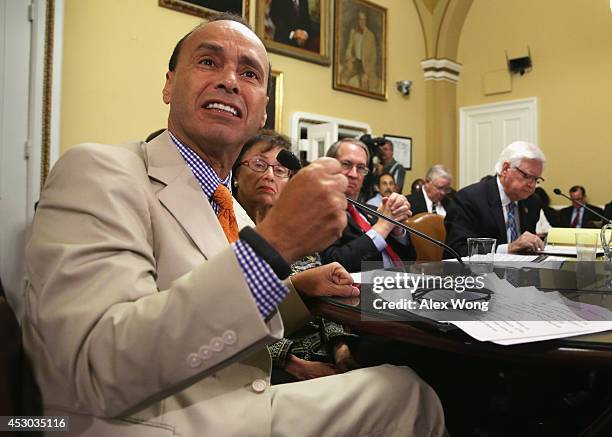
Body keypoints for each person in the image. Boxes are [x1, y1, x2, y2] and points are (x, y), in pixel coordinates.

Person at [23, 14, 445, 437]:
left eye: (249, 73)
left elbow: (217, 304)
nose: (229, 81)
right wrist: (275, 244)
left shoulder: (229, 205)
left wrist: (299, 289)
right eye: (208, 62)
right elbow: (94, 370)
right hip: (151, 420)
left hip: (238, 399)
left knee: (410, 389)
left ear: (261, 109)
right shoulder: (99, 170)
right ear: (169, 84)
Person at [232, 129, 360, 383]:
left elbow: (326, 301)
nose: (269, 175)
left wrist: (341, 349)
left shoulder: (298, 231)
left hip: (325, 351)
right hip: (266, 368)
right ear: (235, 174)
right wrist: (294, 364)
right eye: (259, 164)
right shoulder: (225, 229)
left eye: (280, 170)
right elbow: (228, 321)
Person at [321, 138, 414, 272]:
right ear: (329, 167)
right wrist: (384, 226)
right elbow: (331, 264)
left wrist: (396, 230)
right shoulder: (317, 212)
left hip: (402, 284)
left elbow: (411, 259)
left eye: (360, 168)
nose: (354, 174)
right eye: (346, 164)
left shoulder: (370, 210)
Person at [445, 141, 546, 257]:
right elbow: (458, 249)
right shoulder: (469, 199)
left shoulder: (532, 201)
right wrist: (507, 249)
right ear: (505, 169)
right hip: (479, 273)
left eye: (536, 179)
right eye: (527, 176)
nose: (532, 185)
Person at [341, 10, 378, 92]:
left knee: (364, 81)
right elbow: (349, 49)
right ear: (357, 20)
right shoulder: (353, 32)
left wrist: (367, 72)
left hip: (365, 65)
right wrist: (349, 60)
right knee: (344, 75)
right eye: (360, 19)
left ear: (366, 20)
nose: (362, 22)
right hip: (355, 62)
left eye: (364, 19)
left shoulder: (370, 36)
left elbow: (374, 58)